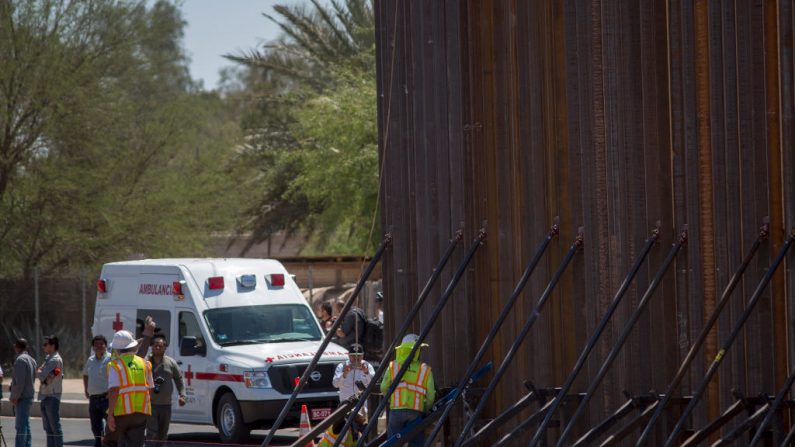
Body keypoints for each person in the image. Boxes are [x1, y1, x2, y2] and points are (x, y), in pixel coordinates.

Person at [380, 334, 435, 447]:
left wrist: (392, 400)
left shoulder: (393, 366)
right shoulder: (425, 369)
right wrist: (426, 408)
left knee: (393, 443)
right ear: (417, 350)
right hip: (416, 411)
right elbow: (430, 395)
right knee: (416, 442)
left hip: (396, 411)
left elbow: (383, 387)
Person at [103, 330, 154, 447]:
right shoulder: (145, 364)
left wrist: (110, 415)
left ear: (116, 348)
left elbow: (114, 390)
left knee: (109, 442)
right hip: (141, 413)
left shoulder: (115, 365)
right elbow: (150, 388)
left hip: (121, 413)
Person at [145, 334, 186, 446]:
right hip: (151, 405)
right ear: (152, 347)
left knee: (163, 435)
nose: (158, 347)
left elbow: (179, 379)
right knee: (152, 433)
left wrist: (182, 395)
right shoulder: (146, 363)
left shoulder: (171, 363)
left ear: (165, 347)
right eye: (155, 345)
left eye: (160, 345)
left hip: (166, 405)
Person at [83, 335, 112, 447]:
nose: (99, 346)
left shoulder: (110, 359)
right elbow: (85, 375)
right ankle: (99, 442)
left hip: (106, 399)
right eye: (96, 344)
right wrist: (86, 390)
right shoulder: (90, 360)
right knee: (95, 426)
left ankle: (108, 443)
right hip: (93, 398)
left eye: (101, 344)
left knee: (110, 425)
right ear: (93, 347)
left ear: (105, 346)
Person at [9, 338, 37, 447]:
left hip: (22, 398)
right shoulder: (32, 360)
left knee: (20, 427)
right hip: (29, 395)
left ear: (17, 347)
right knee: (26, 425)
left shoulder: (20, 360)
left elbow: (19, 382)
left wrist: (15, 397)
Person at [38, 335, 64, 447]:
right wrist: (41, 373)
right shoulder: (48, 358)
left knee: (55, 428)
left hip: (52, 396)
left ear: (53, 346)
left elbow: (45, 376)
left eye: (46, 344)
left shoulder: (55, 360)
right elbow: (40, 372)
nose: (43, 346)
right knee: (48, 429)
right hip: (45, 395)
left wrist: (41, 374)